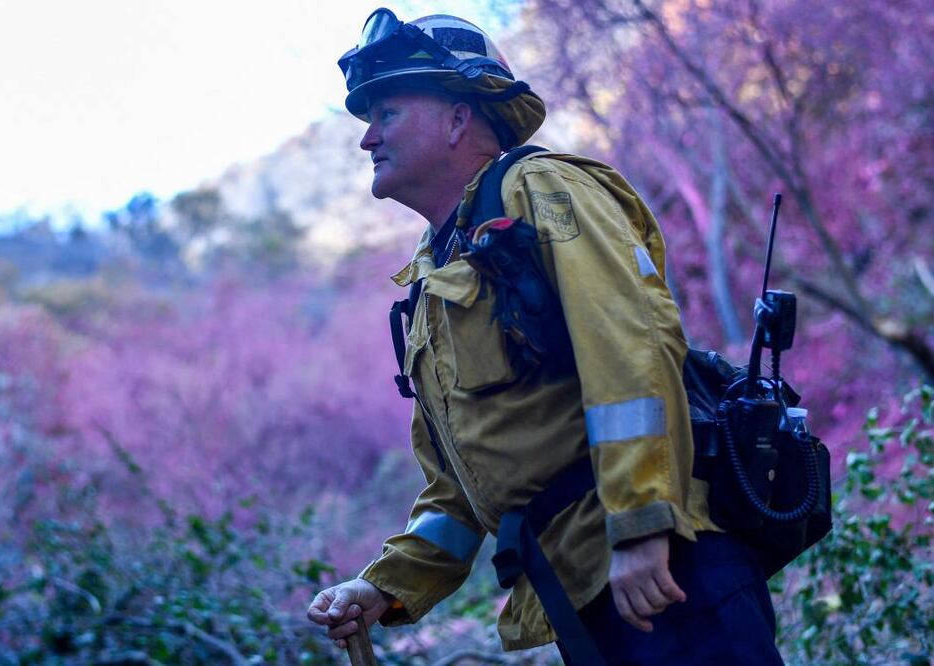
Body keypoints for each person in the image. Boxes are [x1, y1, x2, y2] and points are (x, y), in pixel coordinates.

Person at [307, 9, 784, 665]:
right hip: (580, 590)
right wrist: (383, 588)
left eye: (386, 112)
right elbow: (459, 489)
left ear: (458, 118)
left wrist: (641, 524)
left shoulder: (542, 189)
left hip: (661, 571)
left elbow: (630, 349)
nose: (367, 138)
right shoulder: (433, 278)